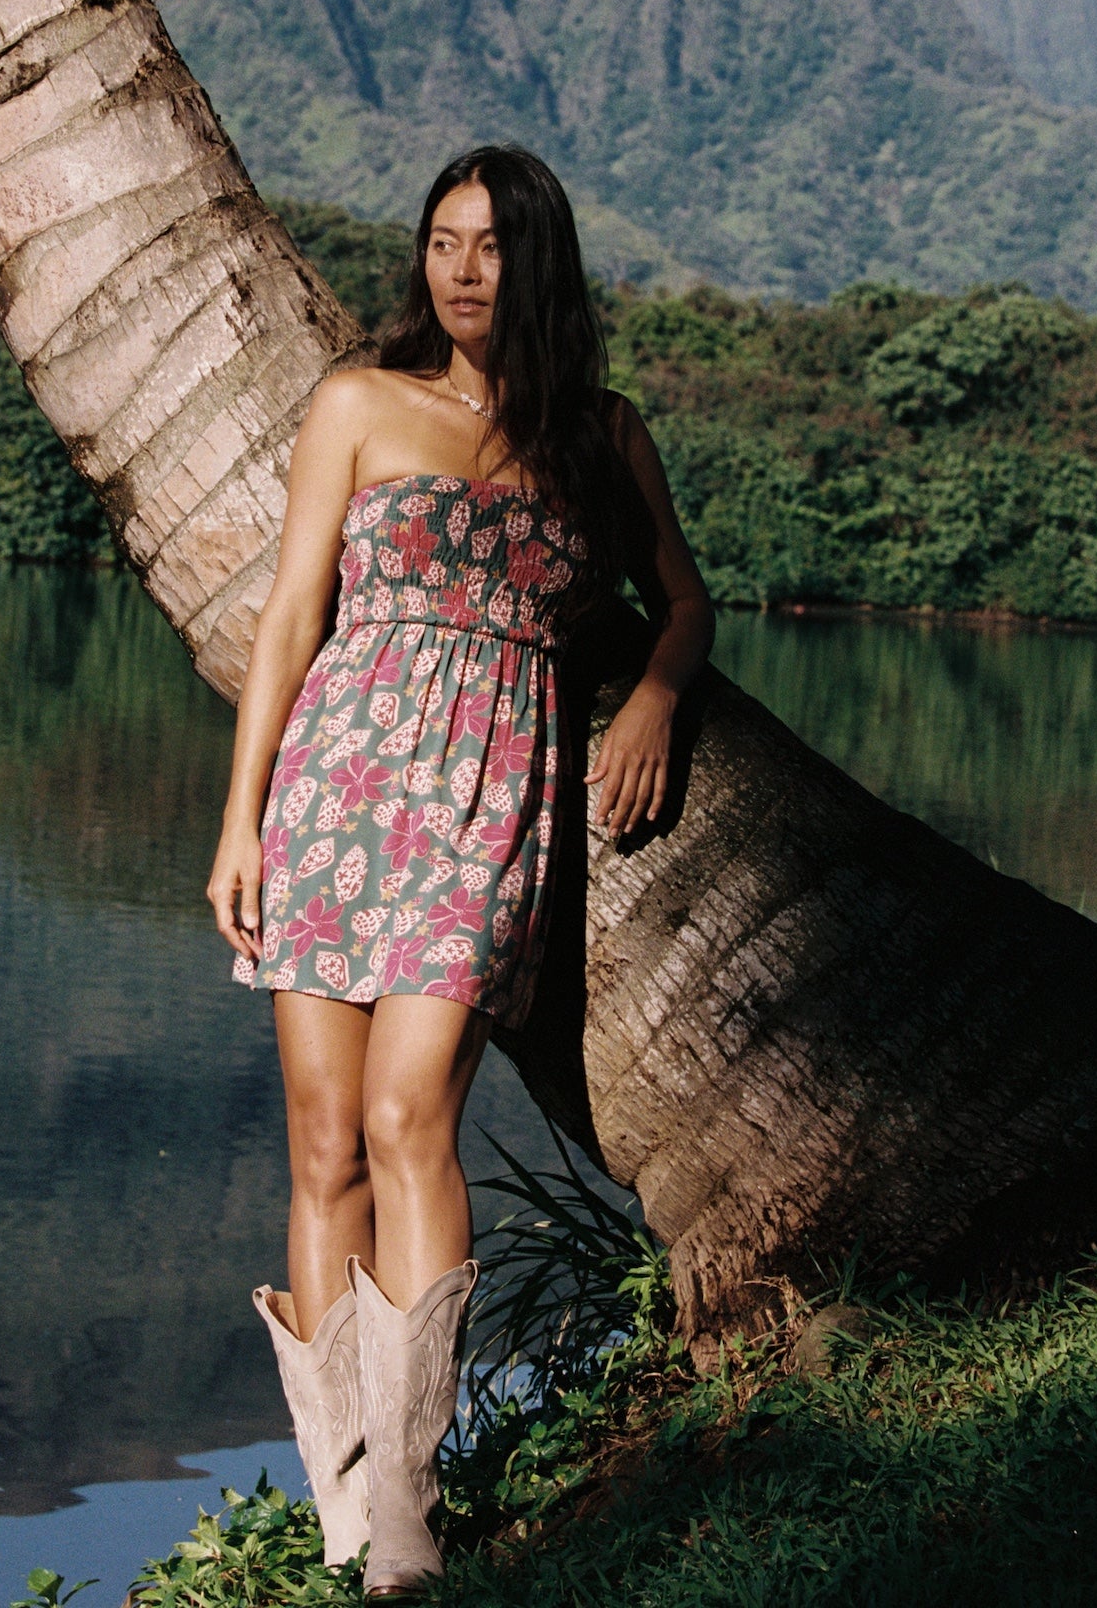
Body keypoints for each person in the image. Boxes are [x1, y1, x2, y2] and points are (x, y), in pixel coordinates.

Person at [207, 146, 713, 1597]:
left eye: (491, 245)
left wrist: (657, 694)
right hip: (334, 792)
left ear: (537, 259)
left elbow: (683, 599)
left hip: (489, 803)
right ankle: (344, 1501)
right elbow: (295, 616)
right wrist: (242, 823)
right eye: (442, 241)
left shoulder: (602, 437)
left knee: (408, 1111)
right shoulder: (359, 404)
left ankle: (412, 1508)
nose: (464, 269)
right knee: (323, 1141)